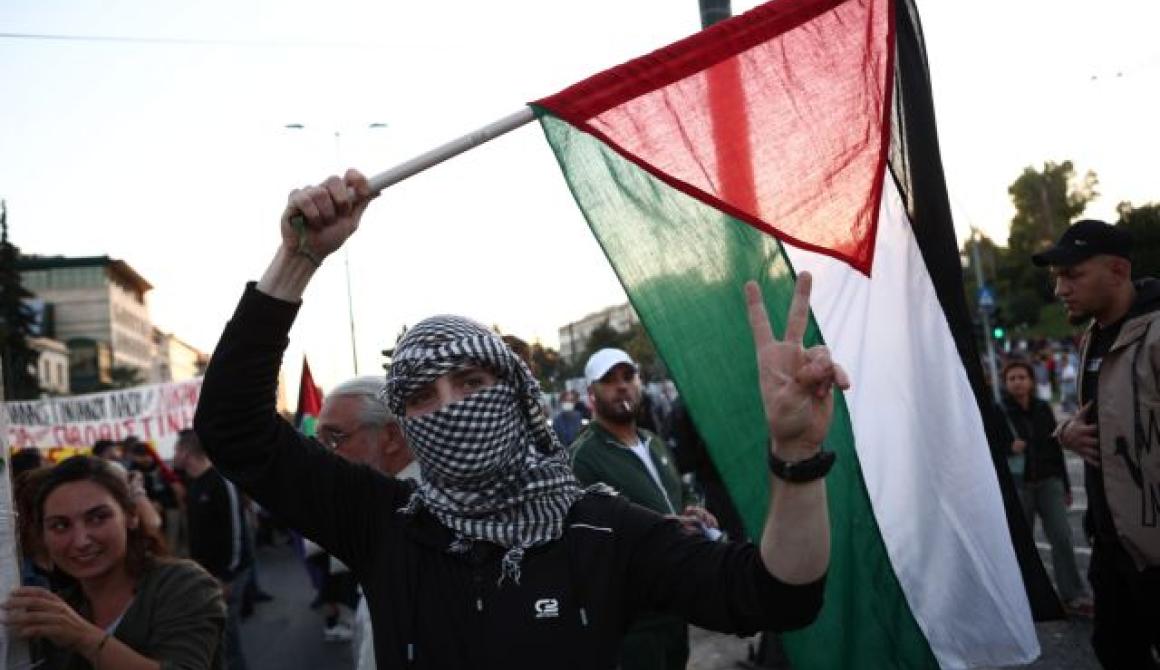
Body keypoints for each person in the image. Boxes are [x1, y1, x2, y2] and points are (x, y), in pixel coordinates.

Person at [192, 169, 843, 668]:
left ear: (515, 394)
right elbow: (232, 426)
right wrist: (297, 261)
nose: (451, 407)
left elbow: (775, 595)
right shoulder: (384, 523)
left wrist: (796, 457)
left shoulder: (597, 529)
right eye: (422, 396)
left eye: (472, 383)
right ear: (404, 423)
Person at [1033, 219, 1160, 668]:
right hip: (1111, 546)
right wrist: (1066, 431)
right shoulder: (1095, 335)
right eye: (1057, 278)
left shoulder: (1155, 333)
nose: (1061, 289)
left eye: (1073, 275)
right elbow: (1110, 413)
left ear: (1119, 270)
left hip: (1154, 550)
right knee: (1115, 650)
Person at [2, 455, 226, 669]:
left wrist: (82, 637)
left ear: (131, 516)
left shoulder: (182, 585)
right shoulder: (61, 606)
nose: (81, 541)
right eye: (60, 525)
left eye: (97, 518)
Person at [571, 347, 719, 670]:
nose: (622, 386)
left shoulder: (653, 441)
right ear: (591, 393)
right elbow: (587, 540)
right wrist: (659, 530)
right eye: (609, 380)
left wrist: (693, 507)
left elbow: (681, 490)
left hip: (675, 601)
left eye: (628, 377)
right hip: (633, 618)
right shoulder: (582, 457)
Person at [319, 375, 420, 670]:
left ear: (391, 437)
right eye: (319, 441)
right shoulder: (378, 508)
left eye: (335, 438)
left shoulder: (417, 520)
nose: (323, 454)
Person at [996, 359, 1092, 615]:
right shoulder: (999, 411)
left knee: (1062, 537)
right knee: (1022, 545)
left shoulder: (1042, 408)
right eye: (1012, 378)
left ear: (1031, 381)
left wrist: (1066, 485)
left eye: (1022, 377)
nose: (1017, 382)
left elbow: (1055, 448)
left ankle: (1073, 594)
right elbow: (989, 449)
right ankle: (1023, 599)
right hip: (1020, 487)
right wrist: (1008, 447)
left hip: (1049, 482)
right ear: (1006, 383)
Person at [173, 429, 252, 670]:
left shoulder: (220, 480)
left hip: (226, 576)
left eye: (176, 449)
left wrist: (227, 577)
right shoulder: (193, 482)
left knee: (228, 642)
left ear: (186, 452)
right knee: (215, 641)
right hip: (207, 576)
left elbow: (236, 533)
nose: (173, 454)